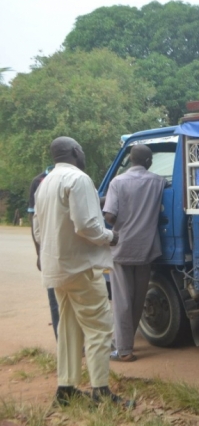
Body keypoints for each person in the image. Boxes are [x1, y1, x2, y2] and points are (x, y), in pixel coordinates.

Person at [33, 137, 132, 407]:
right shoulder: (79, 180)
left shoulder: (45, 184)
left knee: (68, 329)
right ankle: (101, 392)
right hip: (81, 268)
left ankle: (66, 390)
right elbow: (87, 225)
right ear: (76, 152)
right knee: (100, 329)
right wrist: (110, 237)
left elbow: (38, 229)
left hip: (58, 269)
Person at [103, 144, 167, 363]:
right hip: (146, 248)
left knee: (122, 301)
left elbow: (110, 216)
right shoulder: (158, 182)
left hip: (121, 247)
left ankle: (124, 350)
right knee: (139, 298)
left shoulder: (117, 182)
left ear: (130, 159)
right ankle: (125, 343)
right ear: (149, 161)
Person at [28, 166, 59, 340]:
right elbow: (34, 220)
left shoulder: (79, 177)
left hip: (72, 252)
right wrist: (39, 253)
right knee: (55, 300)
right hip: (49, 250)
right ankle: (62, 341)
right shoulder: (38, 182)